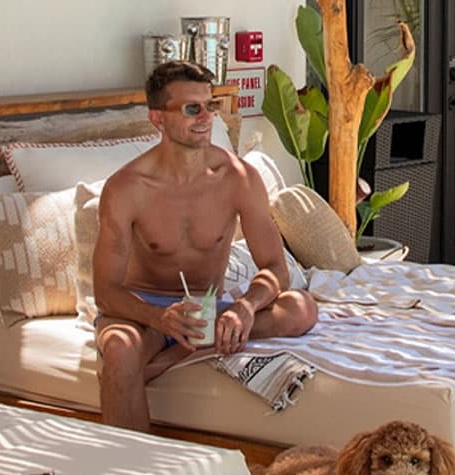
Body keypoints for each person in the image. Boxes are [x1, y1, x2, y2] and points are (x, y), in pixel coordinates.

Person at [93, 60, 318, 431]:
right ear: (157, 119)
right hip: (144, 311)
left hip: (208, 309)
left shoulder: (238, 177)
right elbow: (106, 291)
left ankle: (182, 352)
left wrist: (245, 308)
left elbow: (276, 269)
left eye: (209, 106)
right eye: (191, 108)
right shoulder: (126, 188)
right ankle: (133, 473)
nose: (205, 117)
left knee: (302, 308)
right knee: (119, 348)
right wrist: (158, 318)